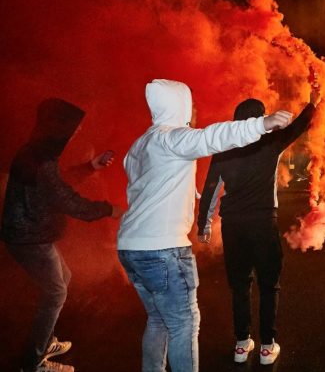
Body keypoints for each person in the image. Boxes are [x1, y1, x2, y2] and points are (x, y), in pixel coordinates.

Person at [117, 79, 292, 372]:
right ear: (178, 105)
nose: (193, 109)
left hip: (130, 246)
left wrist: (192, 198)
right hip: (163, 249)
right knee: (183, 324)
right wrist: (263, 124)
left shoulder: (139, 145)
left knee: (159, 321)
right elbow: (214, 137)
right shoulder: (173, 137)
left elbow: (148, 186)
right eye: (189, 103)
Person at [196, 89, 319, 366]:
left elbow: (211, 188)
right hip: (263, 224)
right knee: (269, 284)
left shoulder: (225, 148)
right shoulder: (269, 142)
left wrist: (203, 225)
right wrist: (313, 103)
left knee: (239, 286)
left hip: (233, 227)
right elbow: (299, 125)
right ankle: (266, 347)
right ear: (260, 118)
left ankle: (241, 344)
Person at [1, 98, 124, 372]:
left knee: (63, 279)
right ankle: (33, 363)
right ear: (57, 128)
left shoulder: (35, 153)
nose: (77, 131)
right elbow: (68, 201)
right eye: (72, 127)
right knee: (56, 292)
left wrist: (91, 166)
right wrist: (108, 209)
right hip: (29, 239)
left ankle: (43, 341)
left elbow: (57, 184)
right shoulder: (41, 161)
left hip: (30, 234)